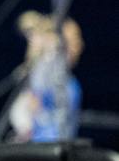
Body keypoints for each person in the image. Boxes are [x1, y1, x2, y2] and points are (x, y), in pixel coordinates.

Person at [9, 11, 84, 141]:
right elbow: (20, 112)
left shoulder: (70, 85)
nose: (78, 46)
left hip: (59, 147)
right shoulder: (42, 76)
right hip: (42, 148)